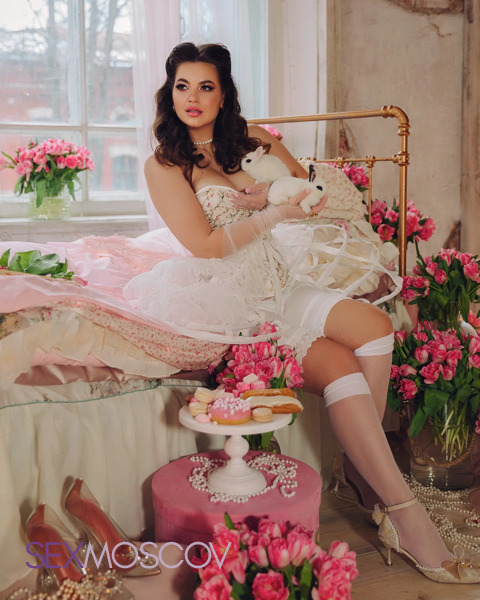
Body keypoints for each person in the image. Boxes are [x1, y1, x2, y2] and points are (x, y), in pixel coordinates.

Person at [124, 41, 480, 584]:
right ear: (169, 93)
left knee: (376, 327)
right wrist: (274, 213)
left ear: (224, 94)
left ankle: (360, 474)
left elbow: (310, 193)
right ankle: (404, 516)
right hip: (229, 294)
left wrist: (293, 189)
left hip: (276, 277)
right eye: (182, 86)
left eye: (205, 86)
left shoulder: (251, 139)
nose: (192, 97)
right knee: (340, 365)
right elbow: (205, 245)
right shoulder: (166, 163)